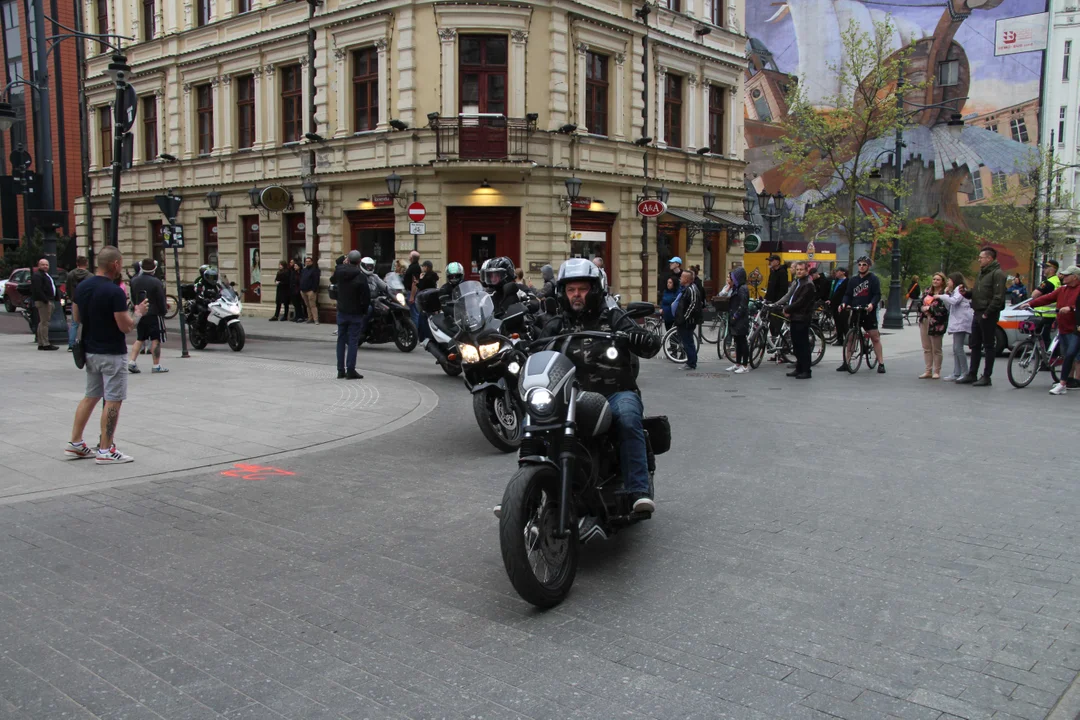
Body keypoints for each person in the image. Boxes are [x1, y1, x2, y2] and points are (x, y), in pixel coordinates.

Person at [540, 258, 661, 513]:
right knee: (537, 421)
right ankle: (529, 493)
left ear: (594, 290)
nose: (576, 295)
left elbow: (649, 346)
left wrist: (642, 338)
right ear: (563, 293)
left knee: (628, 418)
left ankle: (638, 491)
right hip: (570, 396)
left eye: (582, 289)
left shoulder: (614, 316)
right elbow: (538, 349)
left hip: (615, 393)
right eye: (571, 290)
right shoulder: (557, 323)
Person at [67, 247, 148, 464]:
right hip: (111, 352)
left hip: (90, 350)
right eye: (120, 262)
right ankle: (105, 449)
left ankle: (75, 442)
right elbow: (125, 327)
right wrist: (138, 314)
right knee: (113, 399)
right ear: (115, 264)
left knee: (90, 395)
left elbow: (77, 317)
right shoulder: (114, 292)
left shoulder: (82, 286)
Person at [957, 247, 1007, 387]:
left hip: (987, 314)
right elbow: (977, 292)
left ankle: (986, 376)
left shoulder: (997, 274)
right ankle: (972, 373)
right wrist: (966, 293)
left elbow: (998, 296)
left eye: (981, 257)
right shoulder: (982, 273)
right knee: (975, 344)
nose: (979, 259)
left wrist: (988, 312)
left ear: (989, 258)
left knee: (989, 345)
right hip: (978, 312)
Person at [1028, 265, 1080, 395]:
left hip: (1076, 328)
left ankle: (1071, 381)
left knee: (1073, 355)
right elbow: (1047, 298)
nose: (1063, 277)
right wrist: (1030, 303)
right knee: (1068, 354)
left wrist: (1071, 308)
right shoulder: (1062, 289)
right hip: (1063, 326)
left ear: (1075, 277)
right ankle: (1068, 380)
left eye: (1067, 275)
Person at [838, 256, 886, 373]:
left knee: (874, 337)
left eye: (864, 264)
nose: (861, 267)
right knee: (851, 337)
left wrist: (872, 304)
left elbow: (877, 294)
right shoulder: (853, 280)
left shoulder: (873, 279)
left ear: (868, 266)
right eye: (859, 264)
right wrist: (844, 303)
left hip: (868, 311)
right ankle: (847, 362)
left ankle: (881, 363)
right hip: (856, 310)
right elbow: (848, 294)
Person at [330, 251, 371, 380]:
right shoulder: (361, 277)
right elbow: (366, 297)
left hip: (342, 311)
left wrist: (342, 264)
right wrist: (364, 311)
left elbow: (332, 280)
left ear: (348, 260)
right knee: (353, 342)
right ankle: (350, 370)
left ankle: (340, 370)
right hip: (356, 313)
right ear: (359, 262)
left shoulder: (340, 272)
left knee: (341, 340)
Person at [128, 258, 169, 374]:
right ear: (154, 269)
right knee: (156, 338)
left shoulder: (134, 280)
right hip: (154, 313)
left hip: (141, 313)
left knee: (140, 338)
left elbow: (132, 297)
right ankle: (156, 365)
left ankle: (132, 361)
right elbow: (161, 299)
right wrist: (163, 311)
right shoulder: (156, 282)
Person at [782, 261, 817, 379]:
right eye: (797, 270)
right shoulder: (799, 282)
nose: (799, 272)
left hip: (802, 317)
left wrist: (787, 309)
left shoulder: (808, 284)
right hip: (795, 317)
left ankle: (806, 370)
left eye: (801, 269)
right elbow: (792, 298)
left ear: (807, 271)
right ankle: (799, 368)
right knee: (796, 345)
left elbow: (801, 302)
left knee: (803, 345)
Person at [936, 272, 973, 382]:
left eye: (949, 280)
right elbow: (950, 306)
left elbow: (954, 301)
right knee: (956, 348)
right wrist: (947, 295)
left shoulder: (960, 289)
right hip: (957, 321)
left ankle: (964, 372)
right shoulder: (955, 291)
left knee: (958, 348)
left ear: (954, 280)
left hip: (961, 322)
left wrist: (942, 296)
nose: (948, 282)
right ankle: (957, 372)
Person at [917, 272, 949, 379]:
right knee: (926, 347)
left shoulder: (944, 293)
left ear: (942, 282)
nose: (935, 281)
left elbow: (943, 310)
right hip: (925, 320)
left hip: (937, 323)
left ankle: (937, 371)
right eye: (934, 279)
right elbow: (920, 303)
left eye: (938, 280)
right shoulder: (927, 291)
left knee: (936, 348)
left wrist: (930, 309)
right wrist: (923, 309)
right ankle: (928, 370)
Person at [674, 270, 702, 370]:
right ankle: (690, 361)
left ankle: (691, 363)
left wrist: (684, 318)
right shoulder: (686, 288)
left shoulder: (692, 289)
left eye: (681, 277)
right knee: (687, 341)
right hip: (684, 321)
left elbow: (693, 306)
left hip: (688, 322)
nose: (680, 278)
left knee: (688, 342)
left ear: (686, 279)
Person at [725, 267, 751, 374]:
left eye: (733, 277)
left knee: (742, 342)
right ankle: (738, 363)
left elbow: (743, 305)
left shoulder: (742, 289)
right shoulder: (737, 288)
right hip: (736, 318)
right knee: (738, 342)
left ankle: (745, 365)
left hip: (740, 319)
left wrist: (735, 316)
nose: (732, 279)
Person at [1031, 260, 1062, 349]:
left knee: (1044, 338)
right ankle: (1048, 357)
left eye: (1046, 267)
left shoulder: (1048, 282)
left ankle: (1047, 358)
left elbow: (1034, 295)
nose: (1044, 269)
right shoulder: (1057, 281)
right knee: (1045, 337)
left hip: (1044, 314)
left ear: (1052, 269)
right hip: (1050, 314)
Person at [31, 258, 58, 350]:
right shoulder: (38, 276)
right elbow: (38, 290)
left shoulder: (45, 275)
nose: (45, 266)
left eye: (47, 264)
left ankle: (41, 343)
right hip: (44, 302)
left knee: (42, 322)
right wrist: (46, 300)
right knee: (45, 323)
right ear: (39, 265)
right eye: (43, 264)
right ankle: (45, 343)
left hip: (47, 300)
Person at [66, 256, 92, 351]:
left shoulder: (70, 274)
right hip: (87, 301)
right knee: (87, 323)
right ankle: (86, 342)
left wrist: (71, 297)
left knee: (74, 323)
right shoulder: (90, 276)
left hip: (75, 300)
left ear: (77, 263)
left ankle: (71, 344)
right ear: (86, 264)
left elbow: (68, 288)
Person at [764, 254, 789, 341]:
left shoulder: (782, 273)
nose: (769, 262)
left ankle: (780, 341)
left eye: (771, 261)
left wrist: (778, 302)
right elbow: (770, 287)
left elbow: (783, 289)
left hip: (778, 302)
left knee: (777, 322)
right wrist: (766, 299)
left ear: (777, 262)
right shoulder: (772, 272)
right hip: (770, 301)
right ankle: (774, 340)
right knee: (771, 322)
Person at [415, 260, 439, 342]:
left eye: (423, 266)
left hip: (425, 301)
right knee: (432, 319)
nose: (422, 268)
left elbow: (421, 287)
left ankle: (423, 337)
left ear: (426, 267)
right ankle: (432, 336)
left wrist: (419, 280)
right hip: (434, 301)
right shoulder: (434, 276)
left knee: (423, 320)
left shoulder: (426, 277)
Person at [828, 267, 848, 346]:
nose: (836, 273)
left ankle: (847, 338)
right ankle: (839, 339)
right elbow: (833, 291)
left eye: (838, 271)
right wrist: (830, 299)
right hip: (835, 304)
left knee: (844, 322)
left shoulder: (847, 281)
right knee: (837, 323)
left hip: (842, 304)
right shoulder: (835, 281)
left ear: (843, 272)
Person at [404, 250, 422, 330]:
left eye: (409, 255)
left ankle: (416, 331)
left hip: (412, 292)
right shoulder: (414, 266)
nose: (408, 257)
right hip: (411, 291)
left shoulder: (415, 267)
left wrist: (412, 296)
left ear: (411, 258)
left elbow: (415, 283)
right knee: (414, 312)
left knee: (414, 313)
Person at [300, 255, 321, 325]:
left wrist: (314, 290)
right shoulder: (303, 270)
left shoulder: (315, 270)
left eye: (309, 261)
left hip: (311, 291)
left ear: (312, 262)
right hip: (303, 290)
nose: (307, 263)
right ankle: (310, 318)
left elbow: (316, 281)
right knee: (307, 305)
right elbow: (301, 279)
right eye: (306, 261)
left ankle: (316, 319)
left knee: (313, 305)